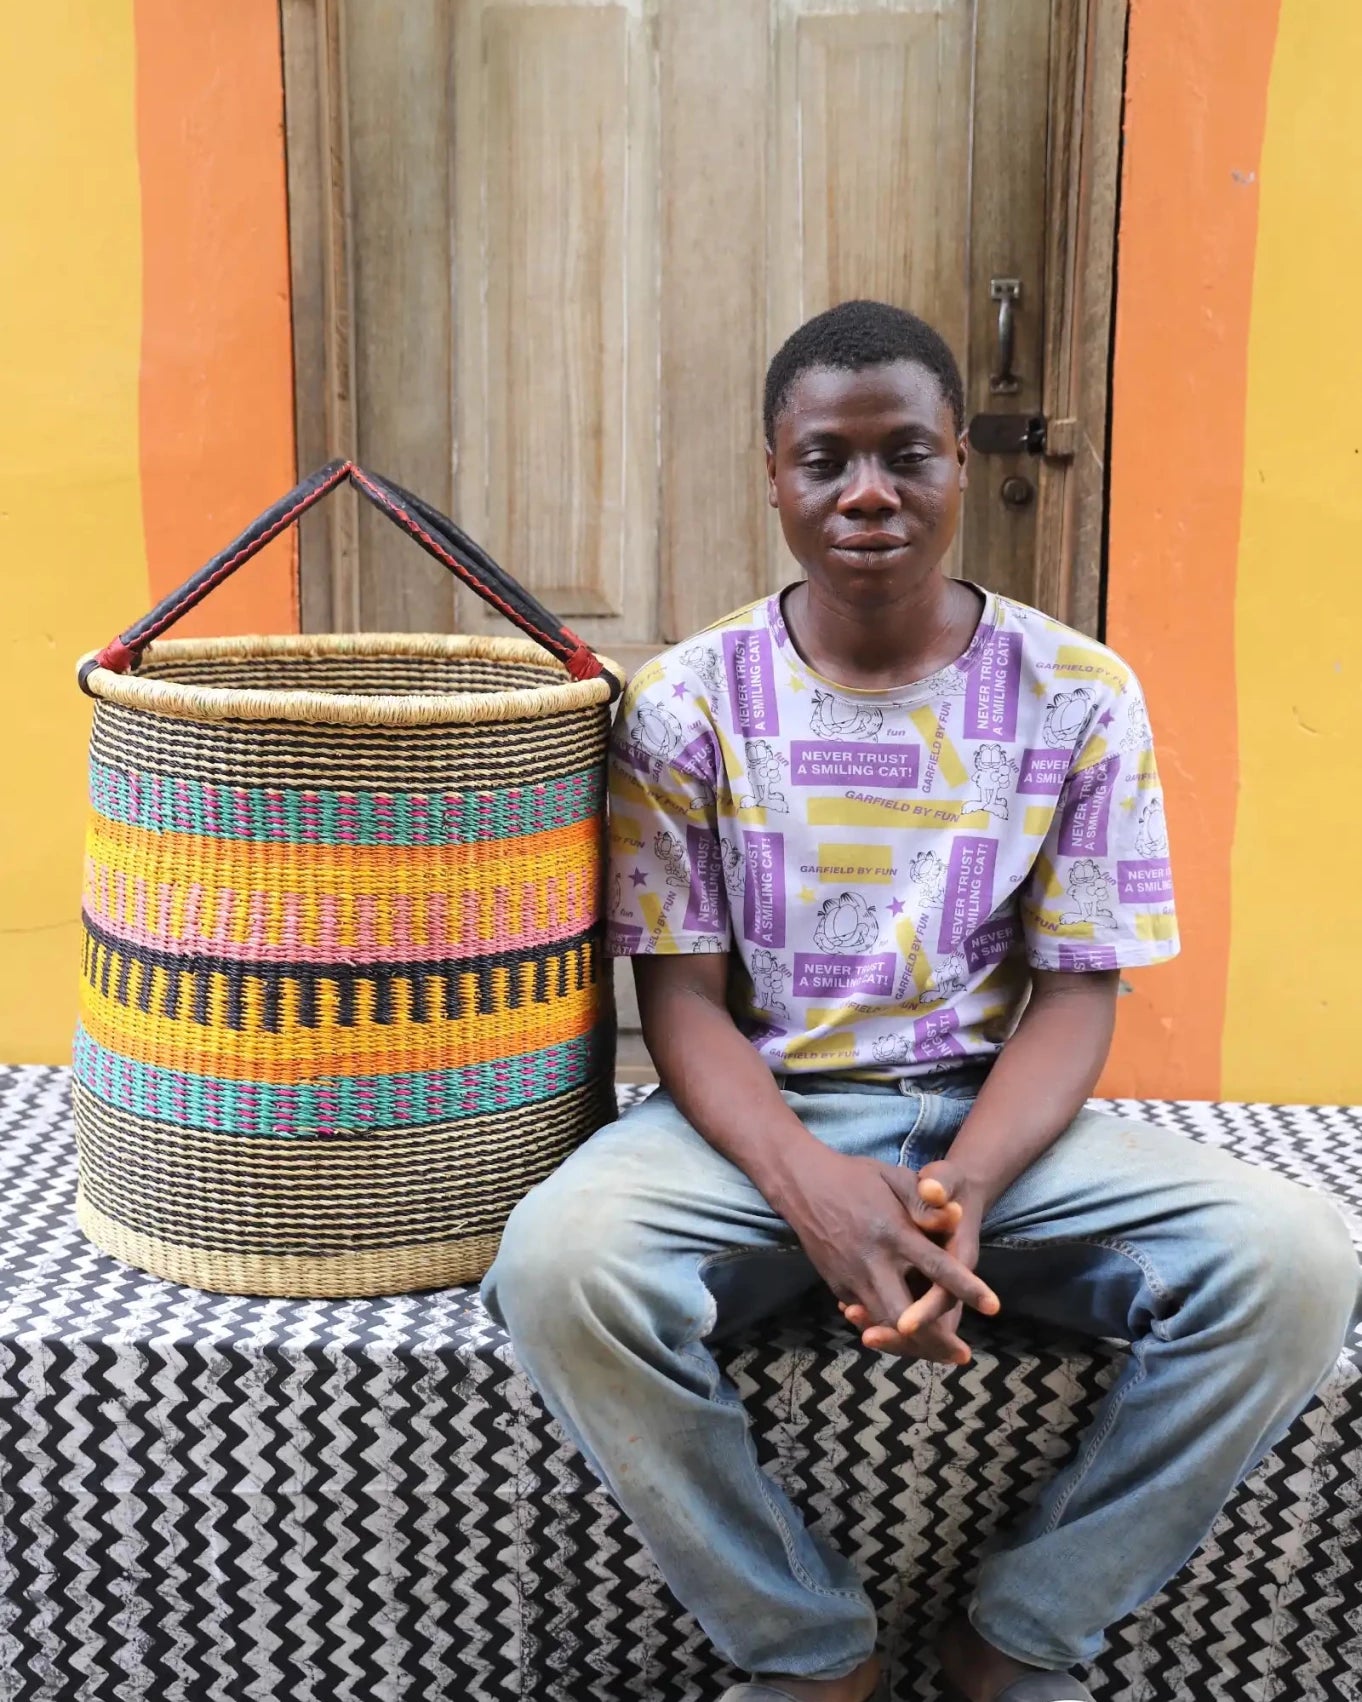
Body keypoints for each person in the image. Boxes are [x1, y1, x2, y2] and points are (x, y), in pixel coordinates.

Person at [482, 300, 1359, 1702]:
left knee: (1298, 1258)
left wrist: (958, 1181)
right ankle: (804, 1646)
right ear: (772, 474)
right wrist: (817, 1190)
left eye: (905, 452)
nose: (867, 492)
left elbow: (1077, 988)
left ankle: (1017, 1635)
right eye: (825, 459)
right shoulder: (686, 703)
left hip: (991, 1119)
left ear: (959, 461)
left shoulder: (1077, 694)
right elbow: (685, 1002)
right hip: (752, 1126)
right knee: (556, 1266)